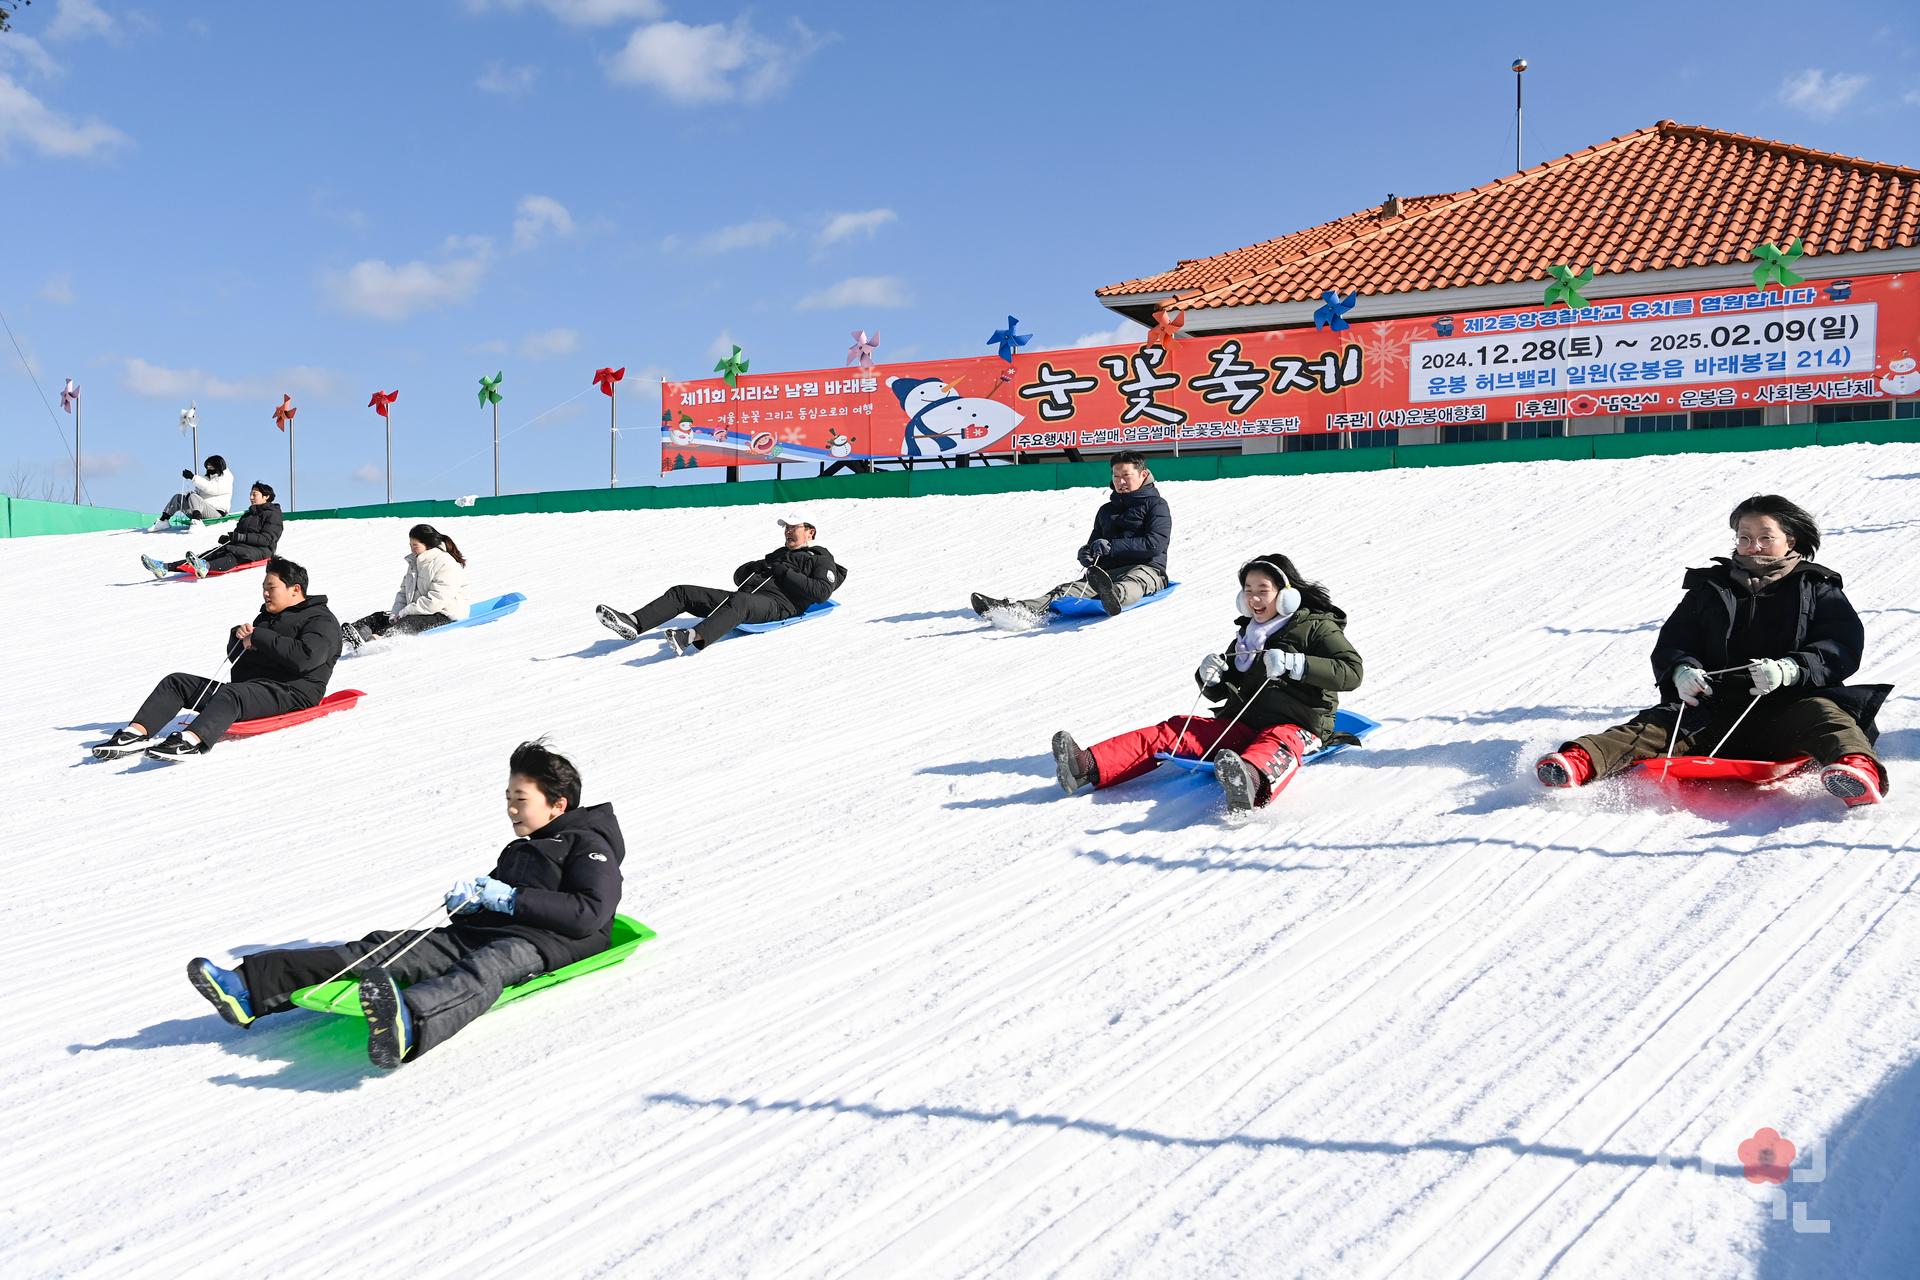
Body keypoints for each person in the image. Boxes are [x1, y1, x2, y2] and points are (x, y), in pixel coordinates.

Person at [184, 740, 624, 1069]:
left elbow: (590, 913)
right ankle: (246, 988)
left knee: (486, 968)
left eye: (520, 800)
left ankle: (410, 1022)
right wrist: (471, 905)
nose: (510, 809)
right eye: (508, 799)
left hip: (545, 943)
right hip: (486, 931)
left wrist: (510, 899)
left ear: (557, 804)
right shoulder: (525, 847)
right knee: (379, 948)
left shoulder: (587, 843)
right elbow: (504, 902)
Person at [1536, 495, 1891, 807]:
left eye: (1766, 537)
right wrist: (1681, 669)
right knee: (1657, 725)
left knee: (1826, 716)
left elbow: (1841, 644)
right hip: (1715, 707)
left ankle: (1855, 772)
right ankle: (1579, 761)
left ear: (1790, 540)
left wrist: (1792, 669)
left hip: (1789, 708)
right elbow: (1676, 639)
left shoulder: (1817, 587)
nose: (1753, 546)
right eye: (1745, 538)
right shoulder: (1711, 587)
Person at [1050, 554, 1364, 813]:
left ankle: (1248, 781)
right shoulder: (1247, 634)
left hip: (1301, 725)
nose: (1254, 599)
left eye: (1262, 590)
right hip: (1243, 722)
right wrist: (1211, 676)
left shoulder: (1316, 628)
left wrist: (1298, 664)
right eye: (1248, 590)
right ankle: (1085, 765)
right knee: (1174, 730)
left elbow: (1352, 671)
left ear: (1285, 594)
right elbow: (1220, 691)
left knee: (1277, 740)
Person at [91, 556, 342, 760]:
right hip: (253, 690)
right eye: (263, 588)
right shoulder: (266, 617)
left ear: (295, 589)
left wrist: (261, 638)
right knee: (176, 682)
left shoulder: (320, 619)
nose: (265, 594)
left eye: (271, 588)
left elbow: (307, 657)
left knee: (232, 694)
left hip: (292, 693)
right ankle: (135, 733)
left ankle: (190, 741)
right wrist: (238, 638)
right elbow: (240, 663)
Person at [971, 450, 1171, 622]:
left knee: (1132, 584)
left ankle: (1113, 597)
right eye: (1116, 476)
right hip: (1107, 573)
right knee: (1063, 592)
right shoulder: (1106, 510)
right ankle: (1013, 609)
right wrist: (1087, 553)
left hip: (1147, 568)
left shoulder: (1156, 505)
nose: (1120, 482)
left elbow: (1155, 543)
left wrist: (1112, 546)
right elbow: (1094, 543)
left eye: (1126, 475)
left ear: (1143, 474)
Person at [594, 517, 845, 654]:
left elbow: (821, 593)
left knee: (741, 601)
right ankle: (634, 622)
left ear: (810, 531)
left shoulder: (820, 559)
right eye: (786, 528)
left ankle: (691, 636)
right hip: (744, 600)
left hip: (780, 606)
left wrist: (784, 572)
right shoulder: (778, 553)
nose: (788, 532)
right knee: (683, 591)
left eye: (794, 527)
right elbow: (739, 579)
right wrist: (754, 566)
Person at [341, 523, 471, 649]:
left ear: (428, 544)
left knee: (407, 624)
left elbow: (437, 600)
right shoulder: (415, 563)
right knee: (379, 617)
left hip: (445, 614)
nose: (412, 550)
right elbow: (403, 593)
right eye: (410, 545)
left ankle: (375, 642)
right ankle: (347, 636)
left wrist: (406, 611)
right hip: (417, 611)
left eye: (415, 546)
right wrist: (395, 614)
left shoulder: (445, 563)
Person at [141, 482, 282, 580]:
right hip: (240, 545)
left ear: (266, 496)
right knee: (209, 554)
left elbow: (267, 539)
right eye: (250, 494)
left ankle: (205, 567)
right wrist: (229, 538)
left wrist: (240, 538)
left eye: (255, 494)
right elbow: (240, 533)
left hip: (261, 550)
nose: (251, 497)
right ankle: (164, 567)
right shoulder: (248, 514)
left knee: (233, 556)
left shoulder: (273, 514)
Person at [155, 455, 234, 526]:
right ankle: (163, 521)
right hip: (200, 511)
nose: (208, 468)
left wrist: (193, 478)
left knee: (194, 497)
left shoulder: (226, 478)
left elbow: (212, 489)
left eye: (211, 466)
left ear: (218, 466)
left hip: (216, 513)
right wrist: (189, 496)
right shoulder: (206, 479)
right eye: (207, 466)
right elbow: (198, 496)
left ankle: (197, 521)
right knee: (178, 498)